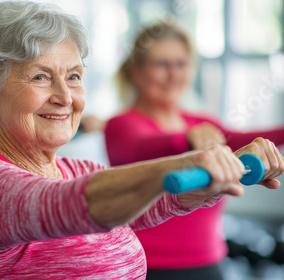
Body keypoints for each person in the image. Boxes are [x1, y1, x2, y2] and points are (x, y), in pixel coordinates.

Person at [0, 2, 284, 279]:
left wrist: (226, 171)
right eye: (40, 77)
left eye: (74, 76)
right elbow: (65, 205)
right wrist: (194, 160)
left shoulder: (79, 169)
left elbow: (161, 201)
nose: (65, 97)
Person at [103, 21, 284, 279]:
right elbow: (143, 146)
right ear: (136, 70)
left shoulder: (203, 123)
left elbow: (245, 138)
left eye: (181, 64)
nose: (174, 74)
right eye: (162, 64)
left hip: (210, 262)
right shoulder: (121, 124)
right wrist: (189, 139)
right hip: (145, 265)